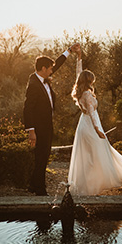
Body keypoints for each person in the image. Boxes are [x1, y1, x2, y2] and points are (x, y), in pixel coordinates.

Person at [68, 47, 122, 196]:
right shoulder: (87, 94)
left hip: (83, 125)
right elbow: (93, 113)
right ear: (89, 81)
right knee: (98, 154)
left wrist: (79, 58)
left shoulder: (80, 91)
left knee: (89, 157)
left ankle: (88, 186)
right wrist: (98, 130)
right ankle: (96, 186)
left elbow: (78, 75)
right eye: (92, 80)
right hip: (90, 125)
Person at [23, 43, 80, 196]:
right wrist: (31, 131)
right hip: (39, 127)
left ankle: (33, 185)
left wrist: (68, 51)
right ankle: (40, 190)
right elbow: (27, 108)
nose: (51, 71)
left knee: (44, 155)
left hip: (47, 125)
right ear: (42, 69)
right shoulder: (34, 84)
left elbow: (58, 64)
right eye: (49, 69)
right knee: (41, 157)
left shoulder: (42, 76)